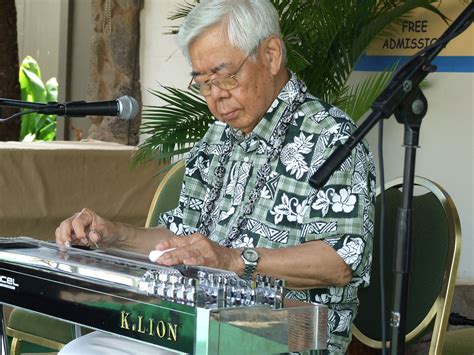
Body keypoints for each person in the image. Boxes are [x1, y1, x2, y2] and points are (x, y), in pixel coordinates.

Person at [56, 0, 376, 354]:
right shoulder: (216, 139)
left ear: (270, 55)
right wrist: (113, 235)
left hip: (286, 336)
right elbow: (178, 239)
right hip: (198, 324)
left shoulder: (331, 137)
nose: (217, 95)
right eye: (204, 83)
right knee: (84, 350)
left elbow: (341, 261)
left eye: (225, 76)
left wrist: (234, 260)